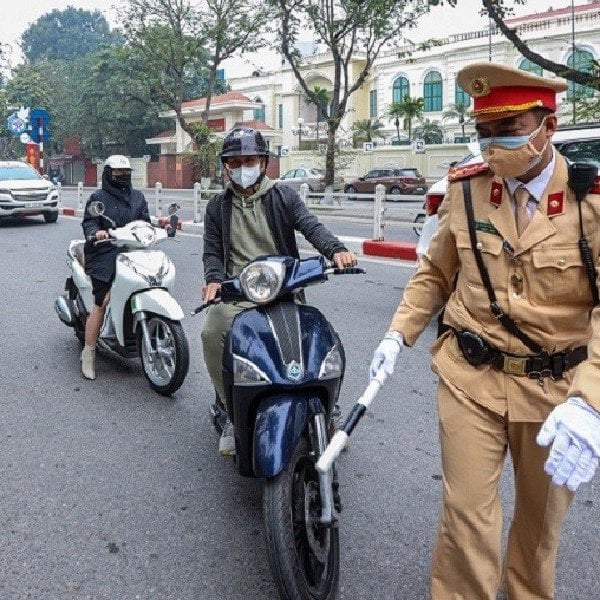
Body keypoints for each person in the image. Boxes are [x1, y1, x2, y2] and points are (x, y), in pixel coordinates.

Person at [369, 62, 600, 599]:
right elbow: (435, 270)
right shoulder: (468, 190)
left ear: (549, 126)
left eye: (508, 129)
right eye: (483, 133)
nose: (492, 146)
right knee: (466, 515)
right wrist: (396, 333)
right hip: (470, 376)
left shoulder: (592, 202)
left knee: (539, 530)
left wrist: (589, 400)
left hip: (556, 391)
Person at [201, 126, 356, 456]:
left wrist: (335, 250)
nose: (243, 167)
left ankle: (330, 408)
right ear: (226, 166)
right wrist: (214, 280)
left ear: (264, 163)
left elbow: (311, 225)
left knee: (323, 340)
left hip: (284, 289)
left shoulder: (283, 196)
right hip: (239, 293)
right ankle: (230, 411)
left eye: (250, 160)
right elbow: (212, 251)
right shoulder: (218, 207)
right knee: (211, 332)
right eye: (235, 161)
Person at [81, 155, 150, 380]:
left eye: (126, 172)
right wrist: (95, 233)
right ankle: (88, 352)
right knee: (102, 301)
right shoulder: (97, 198)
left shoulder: (138, 197)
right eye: (118, 172)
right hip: (104, 252)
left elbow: (145, 222)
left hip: (132, 251)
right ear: (108, 173)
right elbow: (90, 223)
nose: (122, 176)